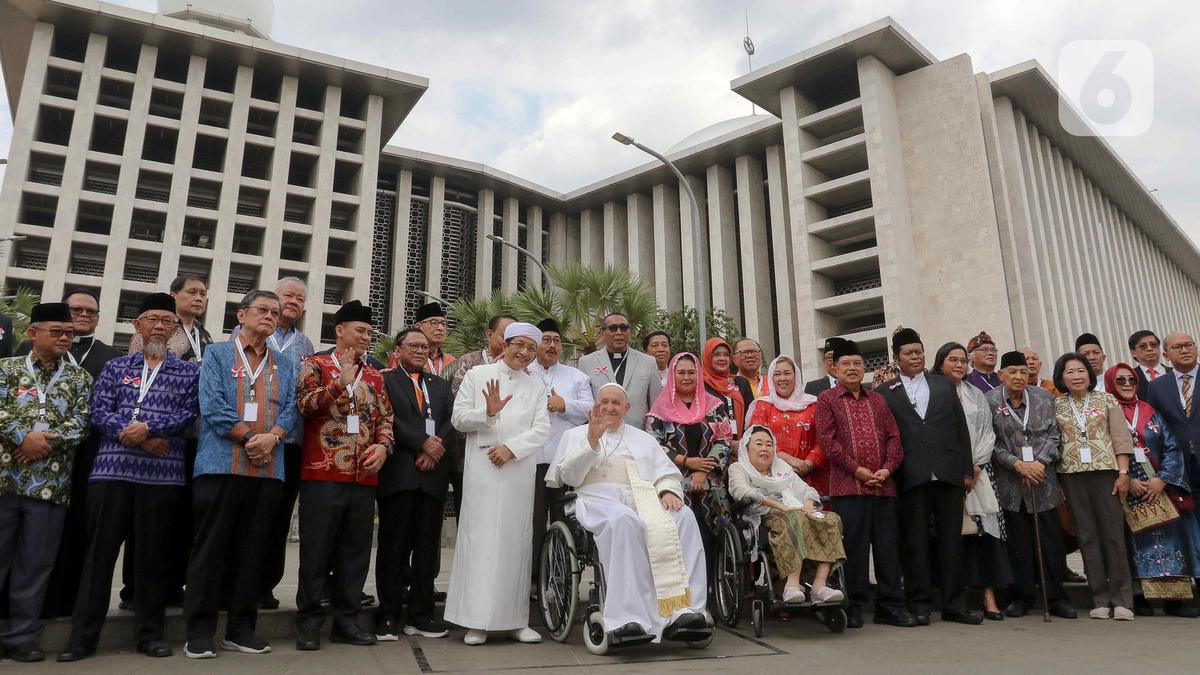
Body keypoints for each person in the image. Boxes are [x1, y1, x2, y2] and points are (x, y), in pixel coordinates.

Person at [58, 293, 200, 662]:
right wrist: (132, 433)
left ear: (174, 330)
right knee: (99, 555)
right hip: (111, 470)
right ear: (137, 325)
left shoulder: (188, 371)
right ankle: (82, 638)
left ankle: (150, 635)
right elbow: (98, 411)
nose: (158, 326)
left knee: (153, 559)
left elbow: (188, 414)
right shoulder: (115, 367)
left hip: (161, 477)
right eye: (151, 319)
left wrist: (150, 427)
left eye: (166, 321)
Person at [547, 383, 710, 643]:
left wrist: (668, 490)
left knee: (685, 517)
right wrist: (591, 441)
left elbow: (665, 473)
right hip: (595, 499)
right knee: (624, 521)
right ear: (596, 405)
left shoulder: (644, 438)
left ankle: (685, 610)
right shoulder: (576, 435)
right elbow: (569, 477)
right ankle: (626, 617)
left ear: (627, 408)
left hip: (645, 498)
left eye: (616, 403)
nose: (609, 407)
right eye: (604, 402)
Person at [183, 290, 297, 658]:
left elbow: (292, 408)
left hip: (267, 470)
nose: (270, 316)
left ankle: (241, 628)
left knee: (253, 552)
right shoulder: (217, 354)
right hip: (220, 465)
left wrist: (274, 436)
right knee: (211, 548)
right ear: (241, 314)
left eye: (275, 312)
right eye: (262, 310)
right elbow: (211, 406)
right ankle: (199, 631)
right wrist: (250, 437)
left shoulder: (284, 363)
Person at [294, 300, 393, 650]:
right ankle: (307, 622)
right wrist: (339, 384)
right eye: (360, 331)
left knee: (355, 553)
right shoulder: (315, 365)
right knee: (316, 551)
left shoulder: (376, 374)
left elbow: (385, 419)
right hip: (322, 474)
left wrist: (383, 447)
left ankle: (346, 622)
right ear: (339, 331)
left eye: (369, 332)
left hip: (363, 477)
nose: (366, 337)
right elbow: (304, 405)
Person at [17, 290, 122, 619]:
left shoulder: (111, 356)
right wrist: (25, 438)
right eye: (76, 309)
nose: (84, 315)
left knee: (77, 533)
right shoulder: (24, 352)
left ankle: (63, 604)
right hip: (26, 461)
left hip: (86, 459)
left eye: (91, 312)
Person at [447, 322, 550, 645]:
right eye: (519, 345)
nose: (524, 353)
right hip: (482, 469)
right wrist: (487, 413)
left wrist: (512, 449)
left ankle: (516, 621)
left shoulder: (536, 387)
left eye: (531, 348)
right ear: (504, 345)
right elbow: (458, 418)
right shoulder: (478, 376)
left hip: (518, 470)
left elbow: (541, 429)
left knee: (515, 543)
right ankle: (475, 621)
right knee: (479, 542)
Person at [0, 303, 92, 662]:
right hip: (4, 480)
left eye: (69, 332)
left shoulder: (80, 378)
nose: (66, 337)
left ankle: (21, 637)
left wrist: (41, 443)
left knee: (34, 567)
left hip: (50, 486)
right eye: (57, 331)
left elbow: (82, 422)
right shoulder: (6, 369)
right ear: (32, 333)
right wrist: (23, 436)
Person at [875, 329, 980, 626]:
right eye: (908, 353)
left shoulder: (944, 385)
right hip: (911, 476)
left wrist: (965, 469)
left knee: (952, 542)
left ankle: (955, 604)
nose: (916, 357)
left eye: (919, 351)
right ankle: (920, 603)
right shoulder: (885, 393)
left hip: (948, 473)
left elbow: (961, 429)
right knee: (916, 543)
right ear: (897, 359)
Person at [123, 274, 212, 609]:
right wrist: (147, 433)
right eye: (192, 292)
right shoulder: (155, 331)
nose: (199, 297)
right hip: (155, 437)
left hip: (192, 435)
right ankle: (135, 589)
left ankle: (174, 583)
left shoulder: (203, 334)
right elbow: (139, 384)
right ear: (173, 295)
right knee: (146, 519)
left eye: (203, 293)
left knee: (182, 517)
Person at [813, 339, 913, 629]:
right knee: (853, 550)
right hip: (848, 488)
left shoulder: (878, 399)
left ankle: (890, 606)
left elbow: (894, 438)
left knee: (887, 548)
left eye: (857, 363)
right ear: (835, 368)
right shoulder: (827, 399)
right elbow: (828, 442)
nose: (853, 368)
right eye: (846, 364)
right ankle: (854, 605)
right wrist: (857, 469)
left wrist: (886, 468)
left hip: (883, 487)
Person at [376, 328, 455, 640]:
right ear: (398, 350)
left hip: (433, 475)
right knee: (393, 548)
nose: (421, 351)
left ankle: (421, 615)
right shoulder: (386, 380)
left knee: (426, 549)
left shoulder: (439, 384)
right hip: (400, 474)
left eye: (425, 347)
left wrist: (435, 449)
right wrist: (422, 443)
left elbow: (452, 420)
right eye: (414, 346)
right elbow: (389, 420)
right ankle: (388, 615)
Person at [1106, 363, 1200, 617]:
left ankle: (1175, 600)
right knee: (1134, 544)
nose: (1127, 384)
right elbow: (1103, 449)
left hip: (1160, 489)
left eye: (1132, 380)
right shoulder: (1106, 412)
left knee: (1171, 542)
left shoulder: (1151, 412)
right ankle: (1140, 597)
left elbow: (1172, 446)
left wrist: (1162, 480)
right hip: (1128, 489)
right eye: (1121, 380)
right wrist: (1126, 477)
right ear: (1110, 383)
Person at [987, 351, 1076, 619]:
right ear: (1001, 375)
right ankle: (1021, 596)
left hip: (1042, 481)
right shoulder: (990, 401)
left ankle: (1056, 597)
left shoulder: (1045, 398)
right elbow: (989, 441)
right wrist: (1016, 464)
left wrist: (1039, 462)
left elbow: (1056, 434)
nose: (1018, 377)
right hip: (1010, 483)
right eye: (1012, 372)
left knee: (1050, 542)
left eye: (1023, 372)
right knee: (1019, 544)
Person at [931, 342, 1013, 621]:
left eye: (962, 360)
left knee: (984, 534)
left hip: (978, 473)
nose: (958, 365)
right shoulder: (932, 391)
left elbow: (987, 432)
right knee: (954, 536)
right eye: (952, 359)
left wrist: (975, 465)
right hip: (945, 475)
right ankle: (955, 598)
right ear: (940, 362)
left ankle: (989, 597)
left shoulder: (976, 394)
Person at [248, 277, 316, 610]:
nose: (293, 301)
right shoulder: (248, 332)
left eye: (299, 298)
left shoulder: (306, 345)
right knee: (248, 515)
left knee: (277, 516)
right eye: (288, 295)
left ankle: (264, 586)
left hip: (288, 440)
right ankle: (234, 583)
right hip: (250, 438)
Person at [1053, 352, 1134, 619]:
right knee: (1087, 535)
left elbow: (1121, 438)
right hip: (1072, 475)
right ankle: (1099, 598)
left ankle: (1121, 599)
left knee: (1112, 533)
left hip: (1106, 473)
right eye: (1069, 372)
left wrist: (1123, 473)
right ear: (1061, 378)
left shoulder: (1106, 399)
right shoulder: (1057, 404)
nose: (1076, 376)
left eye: (1080, 371)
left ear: (1089, 374)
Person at [728, 426, 846, 604]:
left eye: (769, 444)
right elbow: (740, 490)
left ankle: (819, 586)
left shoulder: (780, 467)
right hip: (762, 514)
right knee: (792, 518)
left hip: (795, 509)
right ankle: (791, 585)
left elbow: (805, 489)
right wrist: (777, 505)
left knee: (831, 519)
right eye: (758, 444)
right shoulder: (738, 468)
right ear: (746, 447)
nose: (764, 449)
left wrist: (808, 503)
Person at [645, 353, 735, 558]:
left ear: (698, 374)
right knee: (681, 536)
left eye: (691, 373)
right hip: (675, 480)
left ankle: (717, 584)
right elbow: (654, 444)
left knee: (716, 537)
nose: (686, 377)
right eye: (681, 372)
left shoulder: (714, 406)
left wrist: (703, 470)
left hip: (711, 480)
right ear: (672, 376)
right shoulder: (659, 409)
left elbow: (724, 439)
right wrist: (686, 461)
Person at [527, 318, 592, 582]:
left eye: (556, 341)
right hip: (529, 461)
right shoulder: (523, 372)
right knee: (531, 523)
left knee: (564, 520)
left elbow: (590, 410)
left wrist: (563, 403)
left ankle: (563, 578)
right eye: (547, 340)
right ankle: (533, 580)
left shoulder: (576, 376)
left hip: (563, 462)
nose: (552, 346)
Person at [746, 356, 828, 495]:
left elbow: (825, 438)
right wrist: (792, 462)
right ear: (771, 378)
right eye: (777, 374)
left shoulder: (814, 404)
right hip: (775, 477)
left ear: (796, 377)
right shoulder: (763, 406)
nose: (782, 378)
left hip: (814, 475)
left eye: (787, 373)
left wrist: (809, 463)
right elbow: (756, 442)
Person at [580, 312, 663, 426]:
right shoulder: (586, 362)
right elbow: (585, 402)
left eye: (623, 328)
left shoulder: (648, 362)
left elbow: (656, 406)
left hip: (637, 434)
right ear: (603, 333)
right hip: (601, 433)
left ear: (629, 332)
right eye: (613, 328)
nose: (619, 332)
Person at [1147, 333, 1200, 501]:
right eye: (1177, 347)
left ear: (1196, 349)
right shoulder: (1156, 386)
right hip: (1181, 464)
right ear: (1165, 355)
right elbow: (1156, 428)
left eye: (1188, 345)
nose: (1184, 350)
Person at [701, 337, 755, 439]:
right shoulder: (701, 384)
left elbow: (751, 417)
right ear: (707, 357)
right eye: (716, 354)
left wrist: (744, 442)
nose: (722, 358)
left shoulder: (741, 382)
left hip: (741, 445)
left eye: (726, 354)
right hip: (712, 446)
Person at [449, 314, 515, 395]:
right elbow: (456, 394)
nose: (509, 343)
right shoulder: (469, 360)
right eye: (504, 337)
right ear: (489, 335)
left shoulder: (520, 365)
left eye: (513, 339)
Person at [414, 302, 455, 377]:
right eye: (434, 322)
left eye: (443, 323)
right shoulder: (409, 357)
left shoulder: (451, 361)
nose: (440, 328)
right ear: (418, 326)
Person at [1128, 330, 1170, 401]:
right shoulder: (1130, 377)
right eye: (1143, 346)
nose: (1149, 349)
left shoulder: (1175, 372)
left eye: (1153, 345)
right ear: (1133, 353)